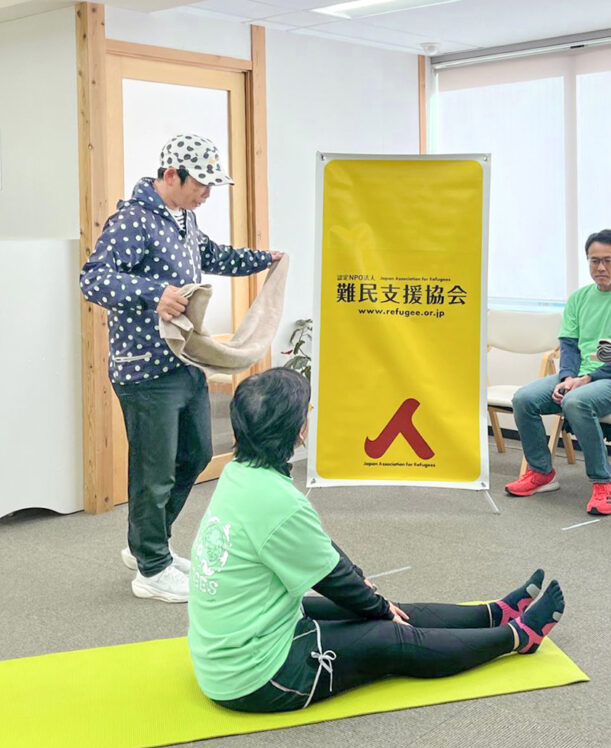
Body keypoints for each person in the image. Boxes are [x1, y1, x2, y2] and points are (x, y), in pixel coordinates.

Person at [187, 368, 566, 712]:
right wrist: (379, 608)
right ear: (297, 429)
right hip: (257, 679)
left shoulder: (242, 474)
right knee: (393, 634)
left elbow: (316, 545)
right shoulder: (277, 501)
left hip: (239, 645)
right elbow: (334, 580)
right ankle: (518, 636)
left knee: (385, 609)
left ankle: (496, 612)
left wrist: (362, 582)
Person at [80, 133, 283, 603]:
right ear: (171, 175)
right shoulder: (132, 220)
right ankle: (151, 569)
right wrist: (155, 294)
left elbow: (212, 255)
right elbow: (93, 279)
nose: (207, 193)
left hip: (185, 361)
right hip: (145, 371)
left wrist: (263, 260)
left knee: (195, 454)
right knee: (154, 471)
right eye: (201, 184)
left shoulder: (184, 218)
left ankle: (148, 543)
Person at [505, 229, 611, 516]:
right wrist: (566, 379)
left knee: (576, 401)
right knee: (524, 399)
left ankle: (602, 483)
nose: (600, 267)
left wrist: (586, 379)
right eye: (594, 260)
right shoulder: (578, 298)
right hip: (577, 377)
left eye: (608, 260)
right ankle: (541, 473)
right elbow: (569, 346)